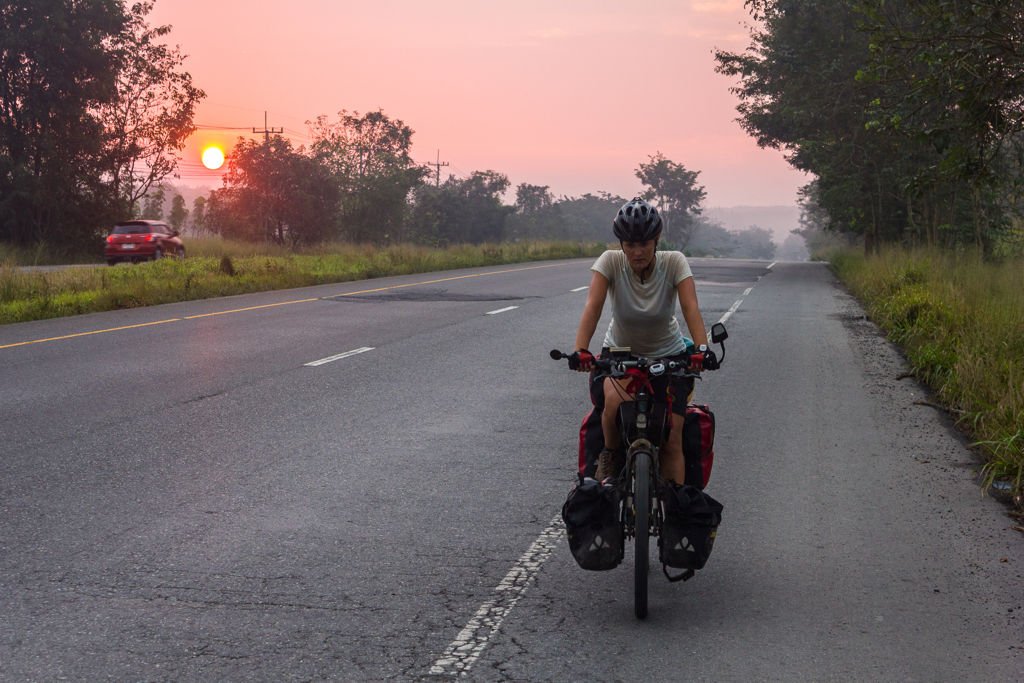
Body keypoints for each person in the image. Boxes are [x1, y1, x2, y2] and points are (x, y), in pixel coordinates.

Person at [570, 197, 718, 485]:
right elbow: (593, 306)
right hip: (620, 353)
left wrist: (701, 350)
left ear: (657, 240)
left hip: (670, 354)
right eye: (630, 245)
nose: (637, 252)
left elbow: (690, 307)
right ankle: (611, 456)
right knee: (612, 403)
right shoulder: (610, 261)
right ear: (621, 244)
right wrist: (581, 350)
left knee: (672, 437)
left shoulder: (674, 261)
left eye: (645, 244)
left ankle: (675, 513)